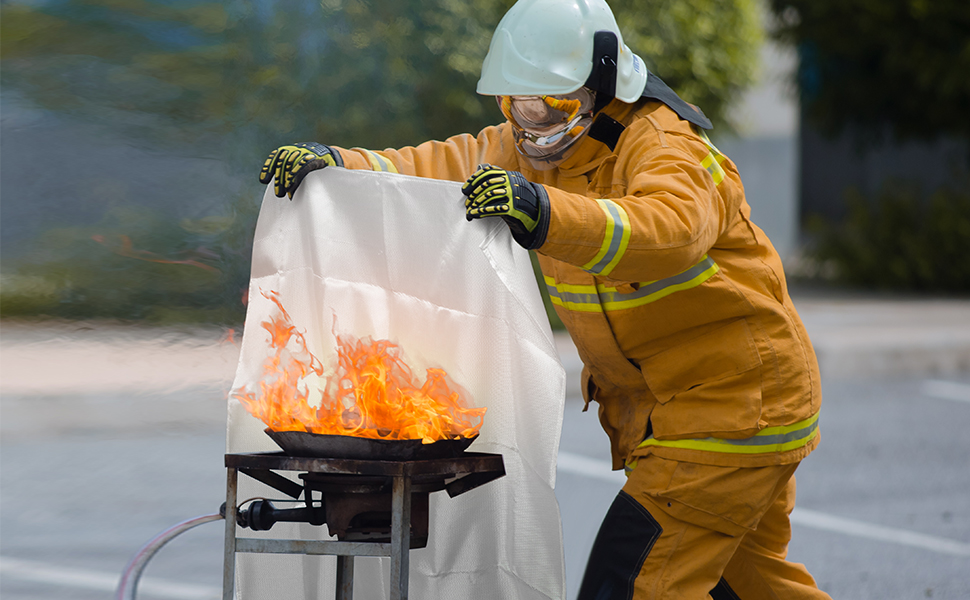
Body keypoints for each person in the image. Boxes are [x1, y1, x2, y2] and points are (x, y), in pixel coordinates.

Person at [258, 0, 831, 598]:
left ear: (601, 87)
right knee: (752, 588)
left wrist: (544, 212)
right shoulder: (534, 148)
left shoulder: (662, 144)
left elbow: (671, 229)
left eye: (552, 104)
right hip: (699, 410)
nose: (532, 124)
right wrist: (343, 167)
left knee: (631, 586)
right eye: (516, 104)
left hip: (729, 409)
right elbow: (437, 165)